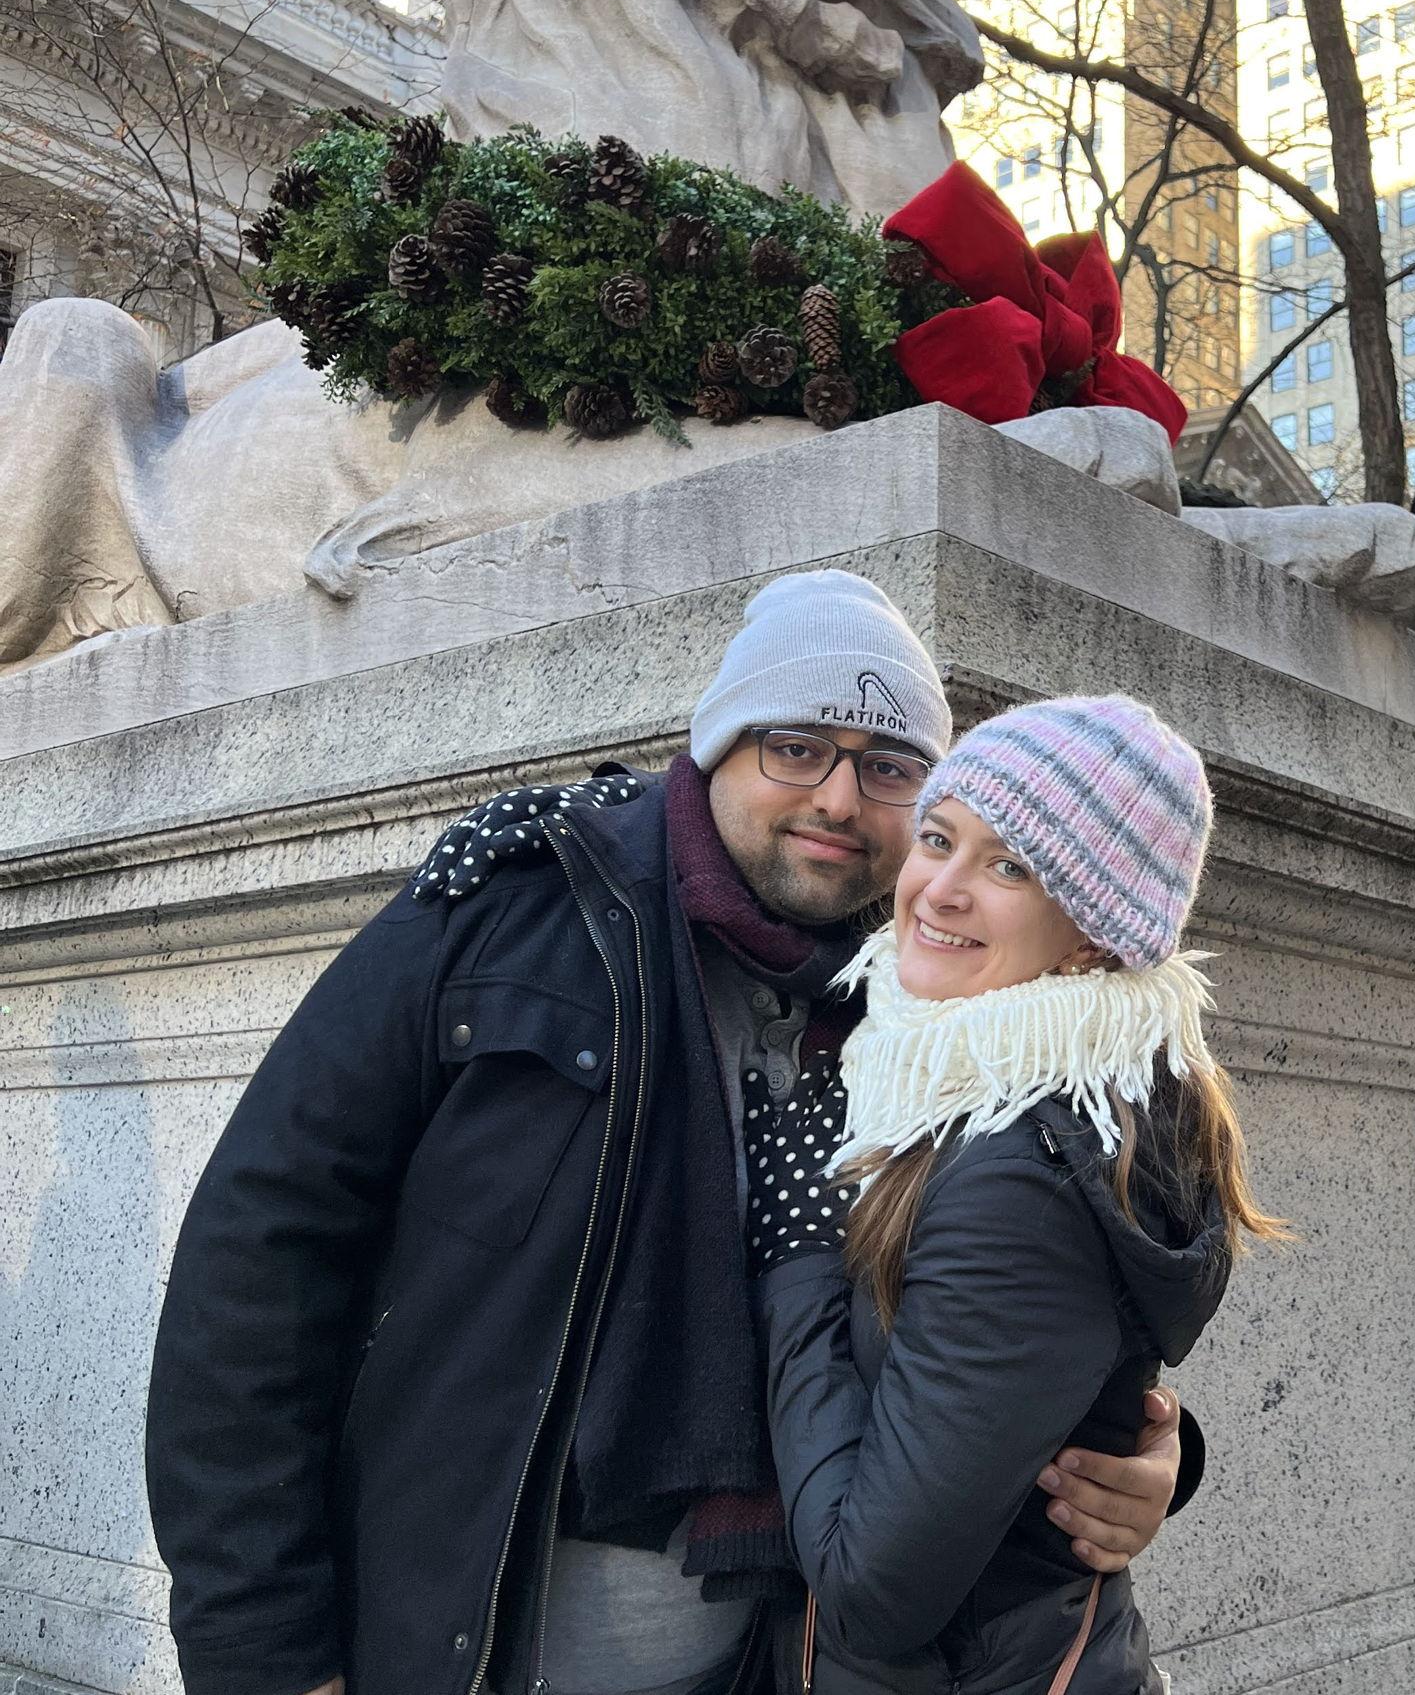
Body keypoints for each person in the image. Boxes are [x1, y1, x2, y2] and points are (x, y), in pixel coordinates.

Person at [143, 573, 1187, 1695]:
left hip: (778, 1657)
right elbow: (259, 1251)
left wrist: (1137, 1458)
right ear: (717, 748)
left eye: (887, 767)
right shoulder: (517, 903)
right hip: (464, 1642)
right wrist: (259, 1650)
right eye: (794, 745)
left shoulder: (937, 1010)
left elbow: (997, 1314)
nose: (838, 797)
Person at [751, 696, 1284, 1695]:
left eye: (1010, 866)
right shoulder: (944, 1081)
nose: (938, 891)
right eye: (938, 840)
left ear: (1092, 935)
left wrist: (795, 1255)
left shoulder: (1015, 1172)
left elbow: (873, 1591)